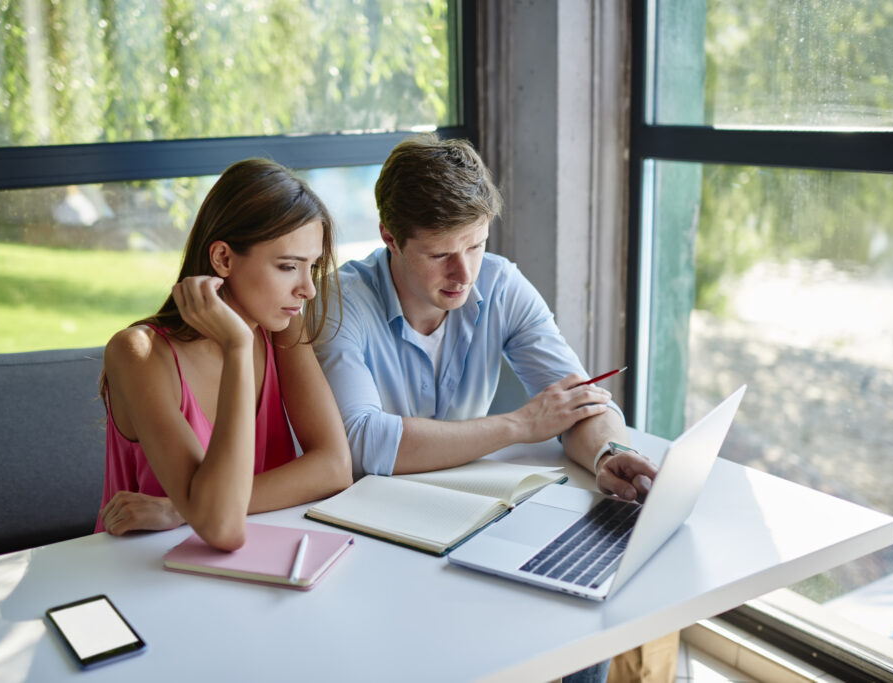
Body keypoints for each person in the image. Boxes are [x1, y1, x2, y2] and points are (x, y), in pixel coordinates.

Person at [313, 134, 660, 683]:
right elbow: (363, 441)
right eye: (440, 254)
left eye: (475, 245)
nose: (465, 273)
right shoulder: (338, 304)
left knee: (582, 618)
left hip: (471, 517)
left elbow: (580, 397)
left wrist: (608, 452)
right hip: (369, 540)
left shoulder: (501, 284)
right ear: (389, 237)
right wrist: (521, 425)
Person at [95, 158, 352, 550]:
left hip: (260, 561)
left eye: (311, 267)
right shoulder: (139, 354)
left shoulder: (282, 328)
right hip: (134, 571)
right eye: (287, 266)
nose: (308, 290)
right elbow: (222, 528)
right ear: (223, 259)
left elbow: (335, 467)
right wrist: (236, 346)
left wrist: (178, 509)